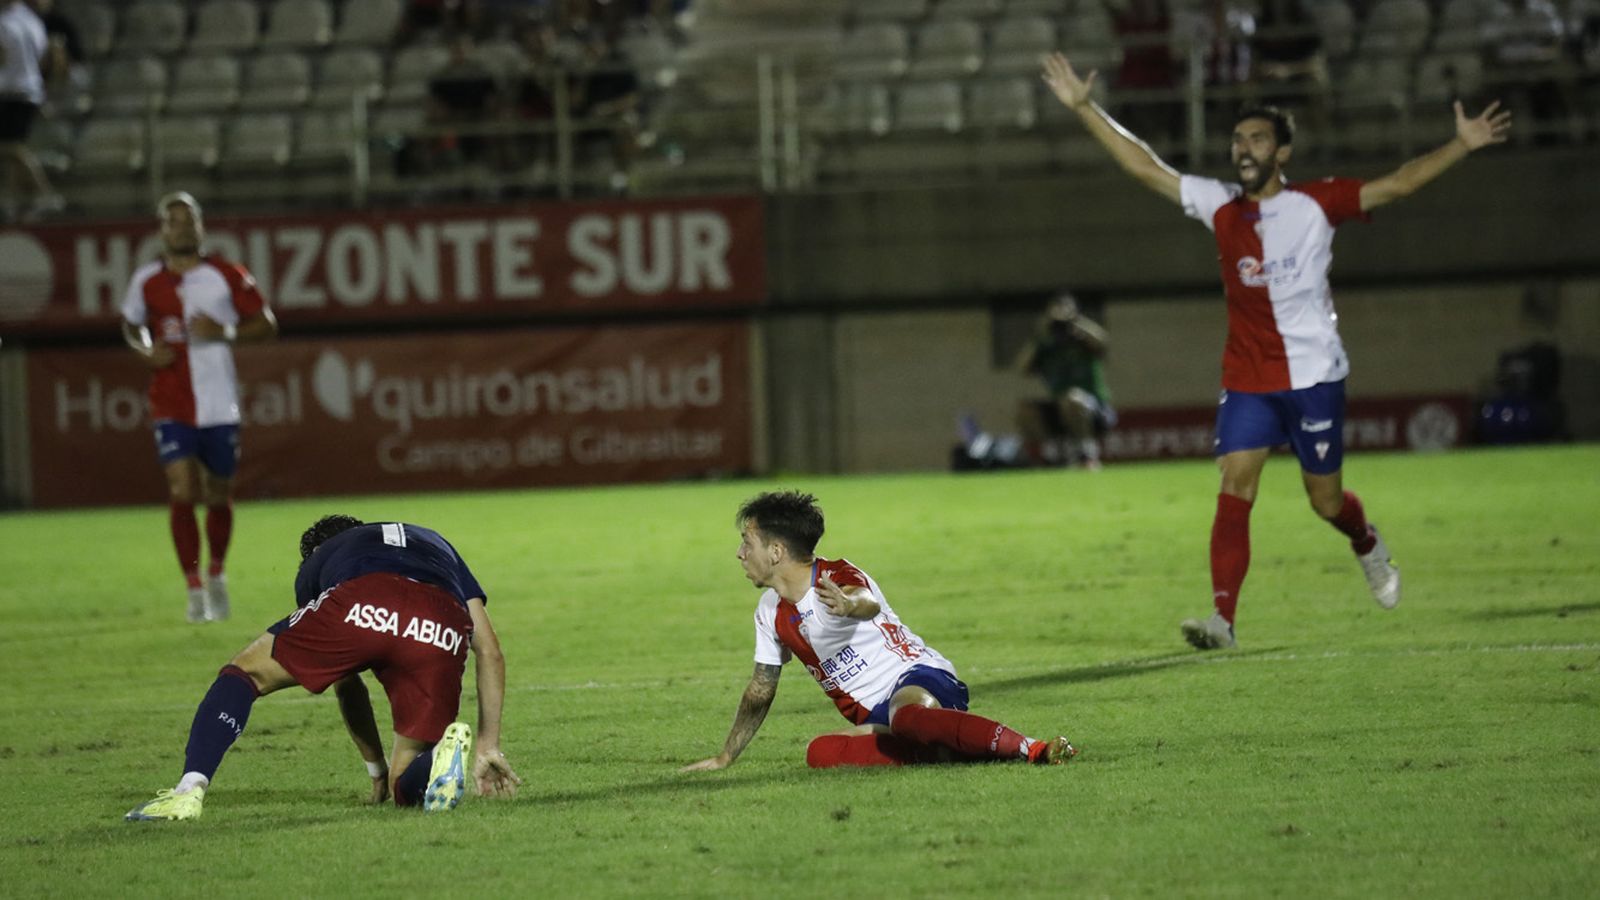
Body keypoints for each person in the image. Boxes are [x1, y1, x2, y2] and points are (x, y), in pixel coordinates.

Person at [1040, 52, 1512, 650]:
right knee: (1235, 484)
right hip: (1247, 377)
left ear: (1282, 152)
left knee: (1326, 501)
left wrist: (1461, 144)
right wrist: (1086, 109)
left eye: (1258, 139)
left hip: (1315, 374)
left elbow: (1396, 184)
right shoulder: (1220, 206)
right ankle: (1224, 621)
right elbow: (1146, 169)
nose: (1244, 148)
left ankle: (1366, 542)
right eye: (1238, 139)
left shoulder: (1317, 205)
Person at [125, 515, 521, 820]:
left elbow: (346, 684)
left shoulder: (321, 561)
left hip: (364, 600)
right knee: (407, 785)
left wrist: (374, 769)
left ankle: (188, 790)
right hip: (441, 623)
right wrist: (488, 744)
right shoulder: (437, 543)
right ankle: (435, 765)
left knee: (244, 674)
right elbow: (490, 651)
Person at [682, 491, 1077, 772]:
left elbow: (863, 600)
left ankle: (1032, 748)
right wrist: (725, 756)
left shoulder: (836, 576)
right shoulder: (770, 612)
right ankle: (944, 750)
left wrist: (850, 606)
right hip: (875, 715)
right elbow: (760, 689)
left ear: (776, 552)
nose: (739, 554)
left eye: (746, 542)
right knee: (819, 753)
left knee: (908, 719)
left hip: (919, 679)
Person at [120, 192, 278, 623]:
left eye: (190, 220)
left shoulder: (226, 274)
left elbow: (266, 324)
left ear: (201, 227)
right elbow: (131, 325)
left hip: (218, 402)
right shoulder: (147, 281)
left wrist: (224, 330)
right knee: (182, 490)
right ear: (162, 230)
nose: (183, 228)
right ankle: (193, 590)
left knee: (218, 493)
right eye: (174, 221)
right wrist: (146, 350)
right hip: (170, 401)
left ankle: (217, 575)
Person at [1015, 293, 1116, 469]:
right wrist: (1042, 334)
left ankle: (1087, 455)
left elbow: (1103, 341)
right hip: (1060, 410)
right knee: (1026, 410)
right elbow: (1022, 367)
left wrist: (1075, 322)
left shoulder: (1084, 341)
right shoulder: (1045, 346)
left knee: (1073, 398)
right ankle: (1053, 456)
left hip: (1095, 411)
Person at [0, 0, 64, 221]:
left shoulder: (4, 21)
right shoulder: (31, 19)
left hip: (10, 91)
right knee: (12, 149)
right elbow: (46, 57)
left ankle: (46, 194)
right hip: (30, 89)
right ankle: (12, 202)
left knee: (10, 147)